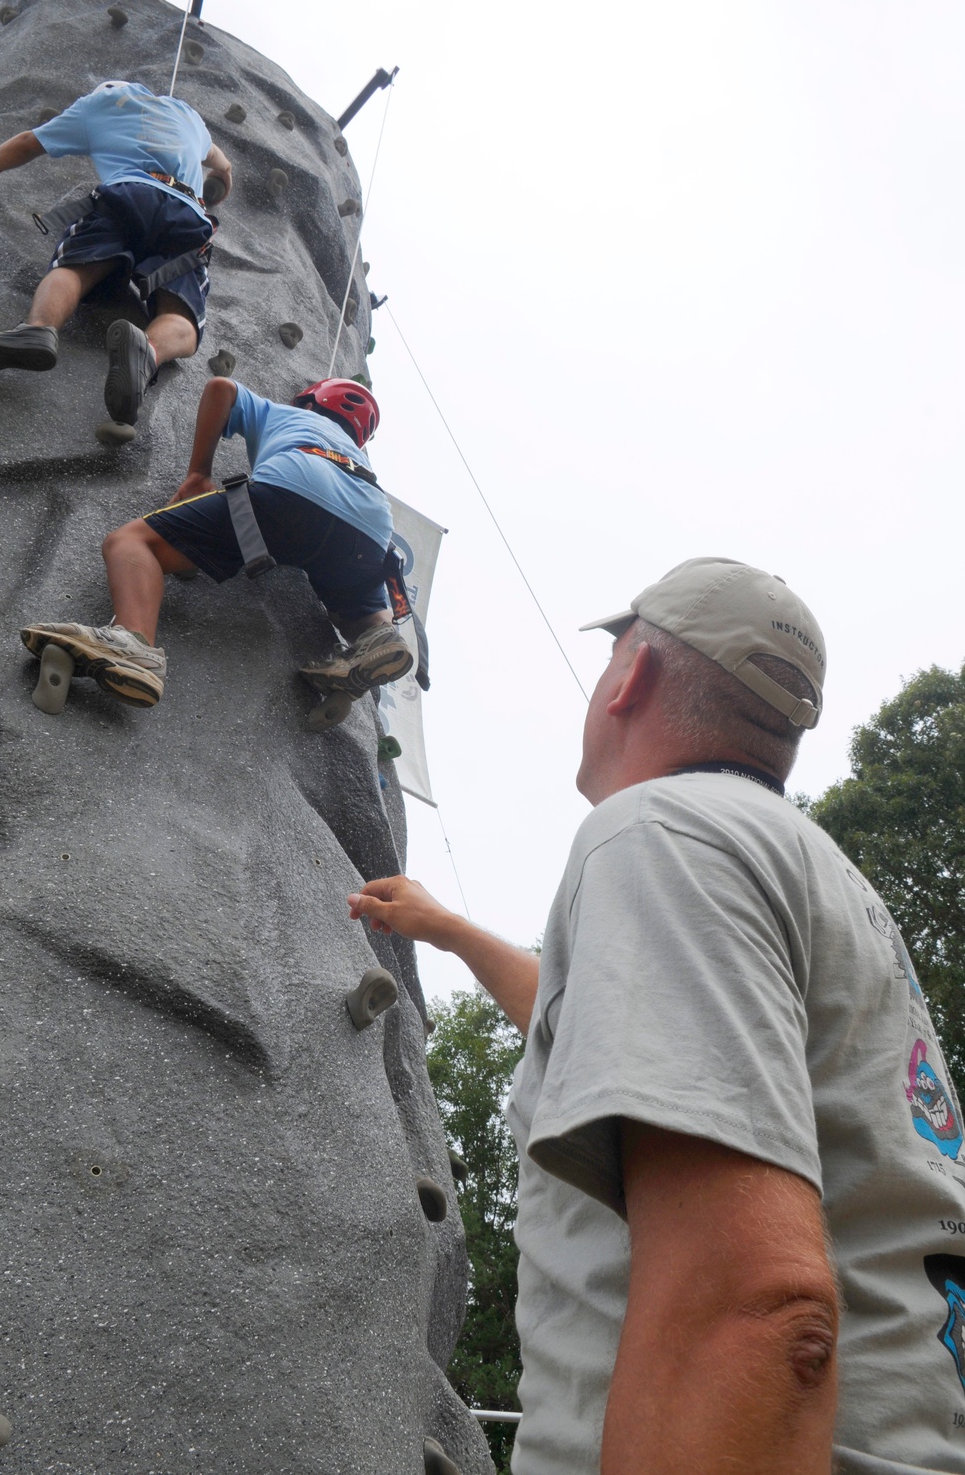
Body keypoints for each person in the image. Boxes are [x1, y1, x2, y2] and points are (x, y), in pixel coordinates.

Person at [347, 557, 965, 1475]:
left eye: (610, 661)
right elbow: (607, 1035)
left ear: (630, 677)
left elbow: (756, 1308)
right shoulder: (809, 871)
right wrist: (448, 931)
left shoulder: (660, 835)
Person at [19, 375, 414, 715]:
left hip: (293, 490)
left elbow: (221, 388)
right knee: (357, 598)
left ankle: (131, 644)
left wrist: (198, 473)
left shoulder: (292, 415)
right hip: (372, 525)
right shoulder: (359, 457)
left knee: (133, 542)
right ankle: (377, 638)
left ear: (309, 400)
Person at [0, 80, 232, 426]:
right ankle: (148, 352)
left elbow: (29, 143)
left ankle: (39, 328)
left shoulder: (101, 103)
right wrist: (221, 180)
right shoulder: (189, 117)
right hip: (187, 213)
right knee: (183, 310)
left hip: (127, 196)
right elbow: (222, 164)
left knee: (76, 265)